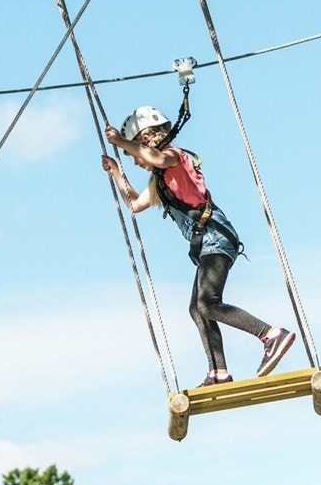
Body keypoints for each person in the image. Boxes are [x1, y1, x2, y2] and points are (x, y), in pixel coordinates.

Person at [101, 105, 297, 387]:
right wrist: (117, 173)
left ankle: (270, 334)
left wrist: (120, 142)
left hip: (216, 238)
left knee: (207, 303)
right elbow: (134, 204)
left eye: (134, 154)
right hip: (207, 244)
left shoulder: (173, 157)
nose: (135, 161)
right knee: (197, 308)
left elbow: (154, 157)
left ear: (145, 140)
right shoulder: (160, 180)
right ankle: (218, 372)